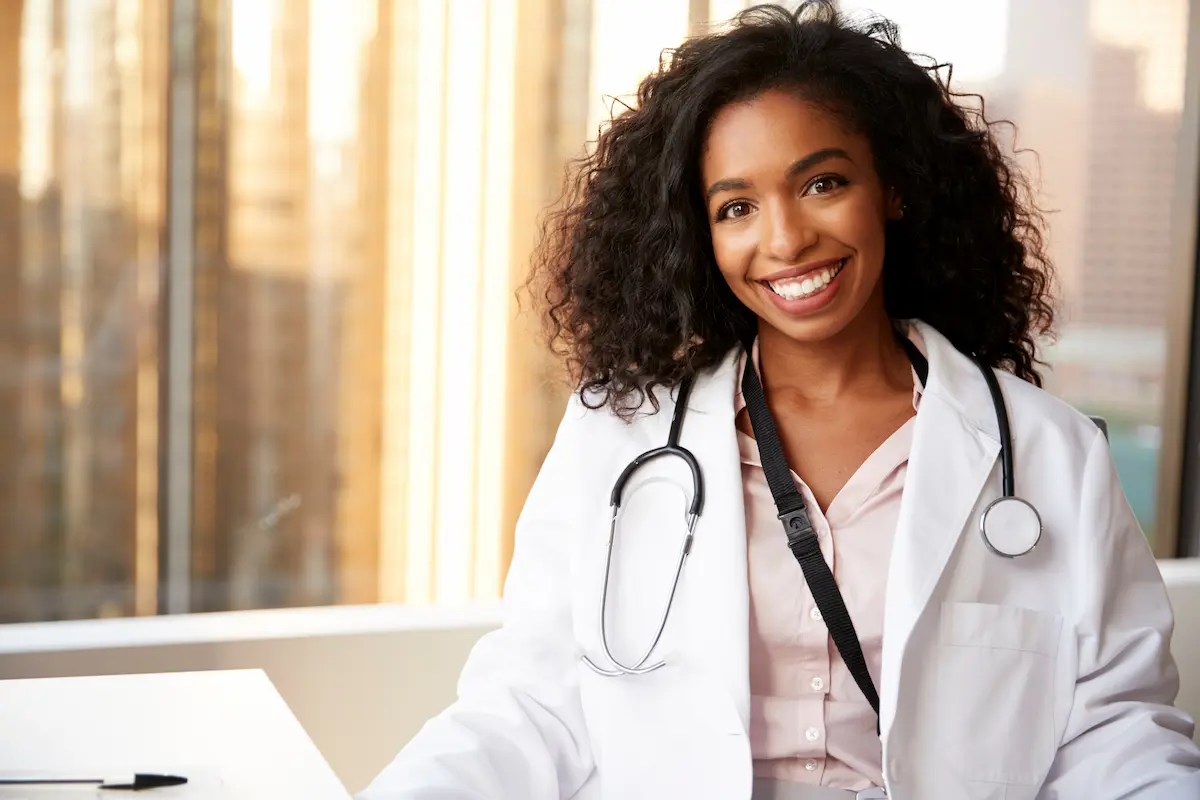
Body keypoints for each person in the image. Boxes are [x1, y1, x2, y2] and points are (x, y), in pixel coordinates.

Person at [360, 3, 1200, 798]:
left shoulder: (1050, 454)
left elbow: (1111, 728)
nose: (786, 239)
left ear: (893, 189)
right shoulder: (619, 438)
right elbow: (533, 703)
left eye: (823, 183)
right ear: (703, 234)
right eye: (737, 207)